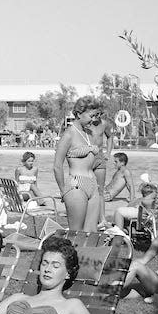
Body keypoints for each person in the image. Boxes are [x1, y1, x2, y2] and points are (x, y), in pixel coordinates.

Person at [53, 96, 105, 232]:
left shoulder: (89, 133)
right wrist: (63, 189)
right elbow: (57, 165)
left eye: (95, 116)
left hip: (93, 184)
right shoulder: (69, 134)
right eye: (91, 116)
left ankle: (88, 254)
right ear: (78, 114)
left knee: (92, 232)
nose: (94, 120)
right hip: (76, 185)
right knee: (76, 232)